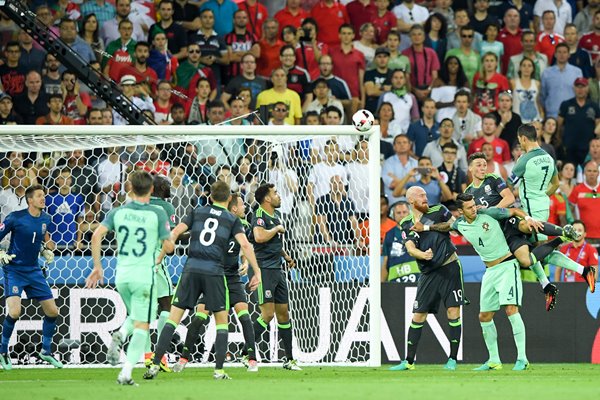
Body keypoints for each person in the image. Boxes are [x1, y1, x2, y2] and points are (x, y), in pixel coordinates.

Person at [143, 180, 261, 381]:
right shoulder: (231, 220)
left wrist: (160, 256)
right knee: (222, 321)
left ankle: (154, 365)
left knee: (173, 318)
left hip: (190, 269)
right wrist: (256, 271)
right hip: (214, 271)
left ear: (210, 196)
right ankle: (219, 371)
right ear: (228, 199)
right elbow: (246, 245)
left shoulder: (197, 212)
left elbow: (174, 233)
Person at [85, 171, 174, 385]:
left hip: (122, 274)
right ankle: (125, 354)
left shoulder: (117, 212)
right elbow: (169, 247)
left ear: (130, 188)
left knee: (136, 315)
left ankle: (127, 346)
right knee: (142, 323)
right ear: (151, 189)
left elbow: (96, 236)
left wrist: (98, 267)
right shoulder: (158, 213)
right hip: (145, 274)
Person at [173, 193, 259, 372]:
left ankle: (252, 359)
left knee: (244, 315)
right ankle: (184, 358)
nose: (245, 207)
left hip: (231, 276)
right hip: (215, 276)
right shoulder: (227, 224)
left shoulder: (240, 226)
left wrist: (244, 262)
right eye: (242, 204)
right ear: (233, 208)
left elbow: (243, 248)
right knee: (200, 316)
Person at [452, 193, 531, 371]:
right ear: (460, 211)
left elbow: (514, 211)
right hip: (489, 271)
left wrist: (527, 218)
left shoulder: (490, 213)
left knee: (511, 309)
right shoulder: (460, 224)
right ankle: (494, 360)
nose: (474, 209)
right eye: (469, 207)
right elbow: (446, 227)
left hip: (507, 265)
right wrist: (426, 228)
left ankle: (522, 358)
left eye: (474, 205)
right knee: (484, 316)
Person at [388, 186, 464, 371]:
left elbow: (456, 227)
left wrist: (428, 227)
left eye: (425, 194)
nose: (425, 197)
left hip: (449, 266)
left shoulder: (439, 210)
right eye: (420, 196)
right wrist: (422, 255)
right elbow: (410, 246)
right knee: (418, 315)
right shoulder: (406, 222)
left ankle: (452, 359)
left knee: (453, 311)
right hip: (428, 272)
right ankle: (409, 361)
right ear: (411, 200)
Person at [0, 185, 60, 370]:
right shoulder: (15, 218)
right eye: (40, 196)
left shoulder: (46, 219)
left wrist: (44, 250)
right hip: (14, 270)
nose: (44, 198)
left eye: (44, 195)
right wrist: (1, 251)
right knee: (15, 312)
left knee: (53, 312)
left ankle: (46, 351)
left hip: (34, 270)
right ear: (30, 200)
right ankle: (3, 352)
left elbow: (36, 239)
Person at [248, 183, 301, 370]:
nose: (279, 196)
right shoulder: (260, 216)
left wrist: (286, 256)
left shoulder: (275, 215)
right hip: (263, 270)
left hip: (277, 269)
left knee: (284, 314)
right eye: (275, 193)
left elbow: (274, 243)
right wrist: (277, 229)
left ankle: (289, 359)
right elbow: (260, 237)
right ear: (267, 199)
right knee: (268, 314)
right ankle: (246, 352)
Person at [381, 200, 419, 283]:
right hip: (395, 282)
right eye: (398, 213)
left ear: (410, 214)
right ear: (393, 215)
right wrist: (381, 284)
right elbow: (385, 261)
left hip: (417, 280)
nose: (402, 215)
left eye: (404, 212)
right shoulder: (389, 235)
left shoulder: (419, 231)